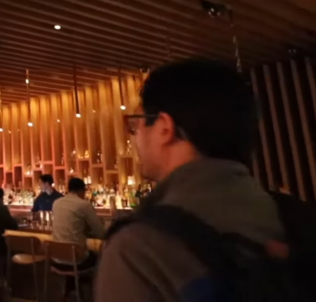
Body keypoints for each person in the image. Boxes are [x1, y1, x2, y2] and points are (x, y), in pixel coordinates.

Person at [95, 59, 283, 301]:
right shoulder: (289, 216)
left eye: (136, 125)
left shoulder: (138, 250)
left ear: (164, 127)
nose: (135, 138)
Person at [51, 177, 104, 270]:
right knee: (100, 256)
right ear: (82, 190)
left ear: (68, 189)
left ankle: (73, 283)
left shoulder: (56, 203)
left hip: (56, 260)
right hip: (77, 260)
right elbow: (100, 232)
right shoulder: (84, 205)